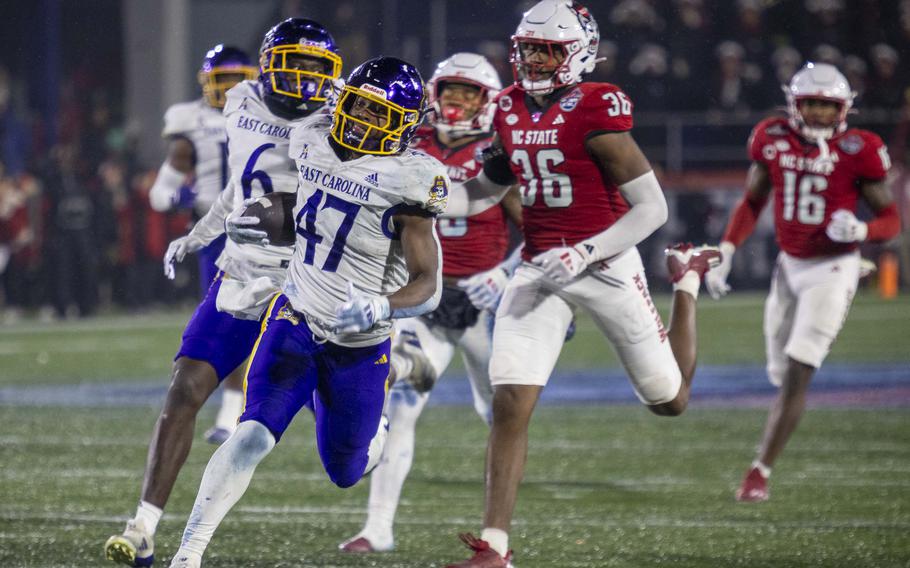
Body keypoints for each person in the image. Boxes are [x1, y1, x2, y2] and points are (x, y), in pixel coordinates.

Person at [441, 2, 721, 565]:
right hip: (541, 267)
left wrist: (587, 251)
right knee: (509, 401)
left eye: (549, 49)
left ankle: (686, 283)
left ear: (579, 54)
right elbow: (482, 192)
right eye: (528, 47)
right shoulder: (510, 107)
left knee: (669, 401)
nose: (535, 59)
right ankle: (494, 546)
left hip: (606, 266)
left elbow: (653, 208)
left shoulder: (595, 106)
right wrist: (423, 194)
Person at [167, 56, 448, 568]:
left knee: (347, 469)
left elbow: (429, 287)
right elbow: (309, 204)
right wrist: (259, 215)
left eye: (377, 113)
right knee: (251, 434)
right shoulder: (312, 135)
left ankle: (396, 377)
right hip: (295, 317)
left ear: (404, 126)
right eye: (357, 105)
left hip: (360, 345)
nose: (361, 119)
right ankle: (188, 554)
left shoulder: (412, 179)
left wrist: (381, 305)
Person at [104, 18, 343, 567]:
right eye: (295, 63)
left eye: (316, 67)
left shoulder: (340, 120)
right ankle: (143, 525)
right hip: (242, 269)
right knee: (186, 385)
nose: (306, 77)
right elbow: (240, 184)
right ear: (269, 64)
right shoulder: (239, 101)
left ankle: (388, 375)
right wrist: (200, 233)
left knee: (328, 438)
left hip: (309, 280)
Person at [338, 52, 523, 554]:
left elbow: (544, 232)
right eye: (449, 92)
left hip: (485, 305)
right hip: (430, 303)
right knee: (402, 407)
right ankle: (378, 527)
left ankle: (499, 524)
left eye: (468, 93)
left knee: (501, 415)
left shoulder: (497, 155)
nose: (456, 102)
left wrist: (504, 274)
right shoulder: (409, 145)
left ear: (488, 101)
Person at [705, 62, 899, 503]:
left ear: (843, 109)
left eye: (826, 106)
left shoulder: (859, 148)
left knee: (798, 367)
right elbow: (752, 202)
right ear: (794, 104)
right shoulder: (771, 138)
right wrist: (728, 251)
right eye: (810, 103)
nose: (816, 114)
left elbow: (891, 218)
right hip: (789, 266)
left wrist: (864, 233)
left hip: (833, 266)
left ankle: (759, 471)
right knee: (777, 366)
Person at [147, 44, 257, 446]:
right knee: (230, 321)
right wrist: (179, 197)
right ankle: (231, 414)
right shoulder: (190, 120)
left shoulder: (272, 114)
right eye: (222, 81)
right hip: (218, 232)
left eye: (236, 81)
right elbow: (164, 188)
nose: (228, 91)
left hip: (274, 230)